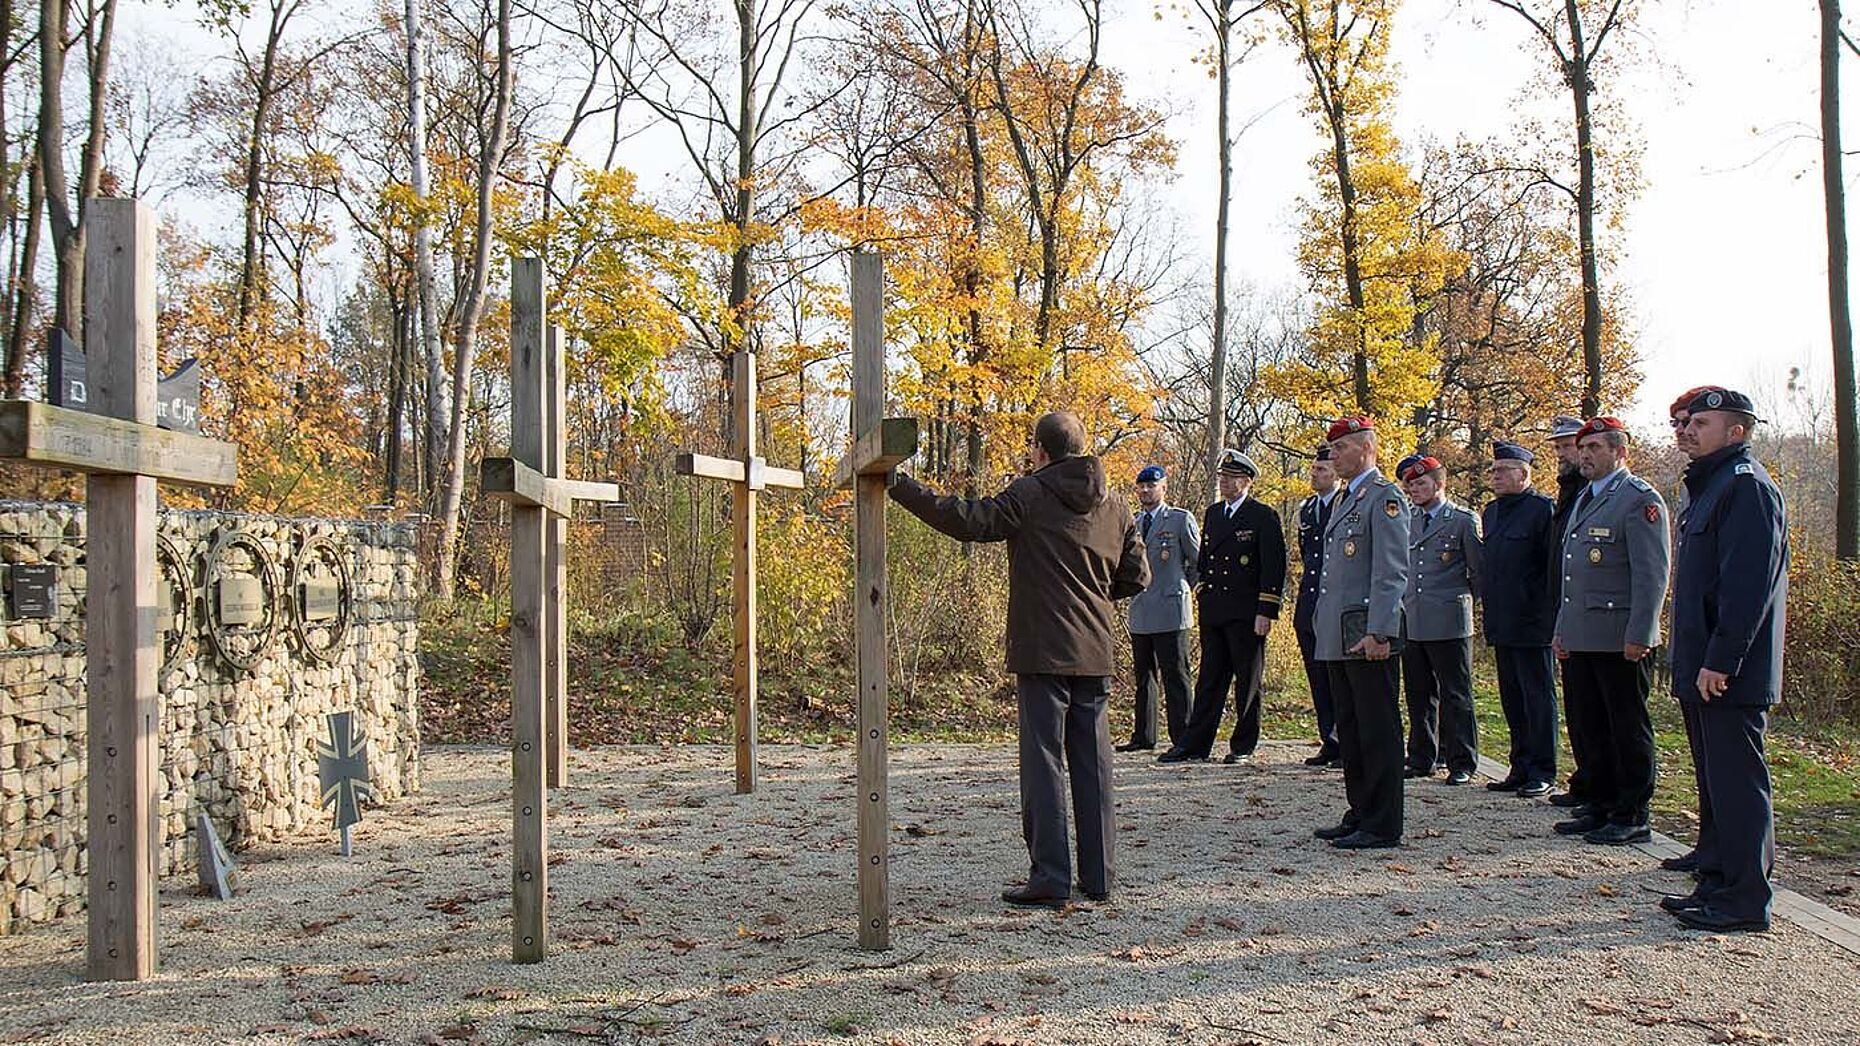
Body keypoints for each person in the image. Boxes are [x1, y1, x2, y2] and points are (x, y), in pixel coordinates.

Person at [888, 411, 1149, 908]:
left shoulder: (1029, 494)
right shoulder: (1117, 506)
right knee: (1093, 764)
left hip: (1043, 648)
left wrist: (901, 486)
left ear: (1040, 451)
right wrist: (1093, 595)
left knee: (1044, 764)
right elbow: (1137, 576)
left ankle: (1051, 878)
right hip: (1095, 650)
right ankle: (1099, 877)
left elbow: (967, 519)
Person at [1662, 388, 1787, 933]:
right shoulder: (1711, 486)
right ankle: (1715, 879)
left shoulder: (1747, 487)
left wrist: (1722, 658)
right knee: (1715, 783)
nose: (1687, 430)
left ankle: (1745, 898)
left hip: (1729, 670)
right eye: (1686, 422)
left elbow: (1746, 586)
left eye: (1701, 423)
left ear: (1736, 431)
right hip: (1703, 664)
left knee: (1738, 784)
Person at [1551, 416, 1672, 846]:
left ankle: (1632, 811)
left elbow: (1652, 574)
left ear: (1620, 452)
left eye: (1595, 447)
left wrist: (1642, 632)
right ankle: (1601, 802)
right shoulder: (1585, 498)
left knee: (1626, 726)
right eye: (1583, 448)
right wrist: (1562, 629)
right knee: (1590, 725)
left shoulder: (1638, 499)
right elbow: (1571, 576)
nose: (1585, 455)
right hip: (1582, 633)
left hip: (1619, 636)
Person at [1310, 416, 1410, 849]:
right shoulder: (1346, 497)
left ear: (1366, 448)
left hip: (1367, 634)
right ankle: (1361, 810)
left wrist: (1381, 631)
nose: (1333, 455)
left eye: (1341, 447)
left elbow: (1391, 570)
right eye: (1332, 448)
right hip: (1339, 633)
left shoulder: (1385, 498)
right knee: (1350, 729)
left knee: (1377, 728)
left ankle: (1383, 822)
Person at [1161, 449, 1286, 764]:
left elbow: (1273, 567)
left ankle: (1243, 744)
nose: (1224, 482)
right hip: (1215, 609)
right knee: (1210, 679)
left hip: (1246, 612)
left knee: (1247, 682)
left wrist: (1266, 611)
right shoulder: (1215, 513)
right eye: (1222, 477)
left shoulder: (1262, 516)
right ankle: (1195, 744)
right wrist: (1202, 589)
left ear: (1247, 481)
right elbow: (1204, 559)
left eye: (1231, 477)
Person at [1396, 454, 1484, 785]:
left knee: (1456, 694)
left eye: (1421, 483)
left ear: (1440, 483)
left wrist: (1462, 603)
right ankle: (1422, 757)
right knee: (1419, 694)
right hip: (1414, 619)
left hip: (1449, 620)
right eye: (1411, 484)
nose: (1414, 489)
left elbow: (1478, 572)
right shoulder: (1408, 519)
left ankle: (1462, 761)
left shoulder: (1462, 520)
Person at [1479, 442, 1559, 798]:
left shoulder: (1542, 510)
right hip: (1503, 619)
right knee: (1512, 699)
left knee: (1537, 699)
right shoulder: (1492, 512)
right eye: (1493, 471)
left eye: (1502, 470)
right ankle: (1520, 766)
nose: (1494, 476)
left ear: (1523, 473)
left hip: (1533, 622)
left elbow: (1550, 569)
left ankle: (1542, 768)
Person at [1120, 464, 1200, 752]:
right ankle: (1144, 736)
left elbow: (1197, 561)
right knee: (1144, 677)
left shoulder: (1179, 519)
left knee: (1176, 675)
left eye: (1151, 486)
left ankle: (1184, 738)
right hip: (1142, 609)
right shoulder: (1134, 522)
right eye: (1141, 486)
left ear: (1163, 488)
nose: (1145, 491)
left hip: (1170, 609)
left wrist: (1182, 587)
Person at [1545, 414, 1596, 811]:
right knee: (1580, 710)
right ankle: (1588, 783)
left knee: (1604, 714)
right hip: (1569, 615)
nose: (1563, 454)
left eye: (1569, 446)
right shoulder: (1570, 492)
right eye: (1560, 447)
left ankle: (1611, 798)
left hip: (1599, 619)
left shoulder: (1593, 493)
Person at [1294, 447, 1343, 767]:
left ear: (1336, 472)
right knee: (1318, 678)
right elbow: (1307, 554)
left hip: (1335, 602)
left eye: (1322, 469)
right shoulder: (1307, 509)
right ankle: (1329, 739)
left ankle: (1346, 740)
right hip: (1311, 601)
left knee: (1339, 678)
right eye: (1313, 469)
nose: (1315, 474)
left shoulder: (1345, 503)